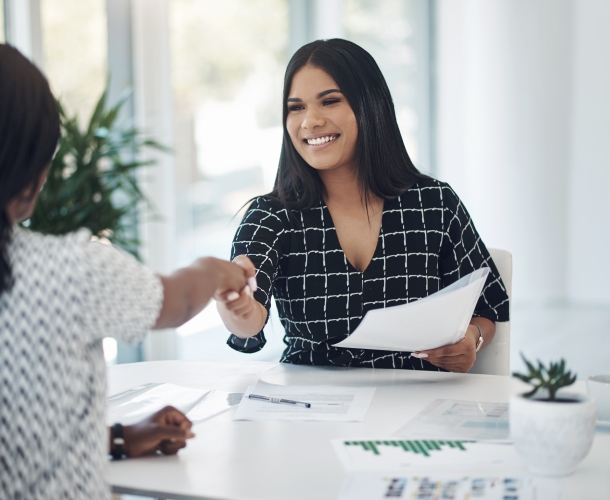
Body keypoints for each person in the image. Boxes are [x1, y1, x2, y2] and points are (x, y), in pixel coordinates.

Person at [0, 42, 253, 499]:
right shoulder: (73, 270)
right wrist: (214, 270)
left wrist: (117, 438)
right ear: (33, 173)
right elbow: (178, 302)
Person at [217, 39, 509, 373]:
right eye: (296, 107)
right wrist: (235, 304)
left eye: (329, 101)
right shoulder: (271, 216)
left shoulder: (435, 204)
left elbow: (489, 307)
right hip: (310, 410)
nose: (309, 121)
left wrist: (472, 337)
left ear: (370, 105)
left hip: (415, 404)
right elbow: (249, 323)